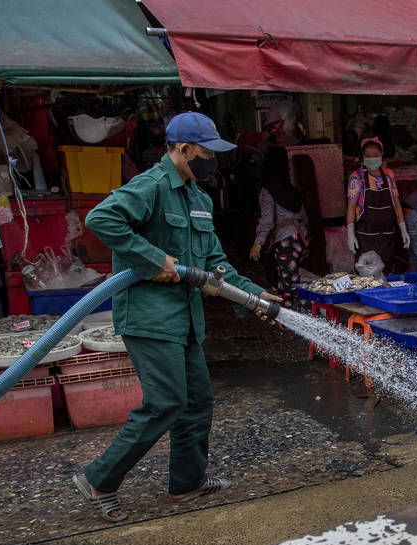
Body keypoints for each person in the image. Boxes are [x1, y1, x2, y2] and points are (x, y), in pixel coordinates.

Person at [72, 112, 284, 522]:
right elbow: (100, 219)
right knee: (166, 403)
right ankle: (99, 479)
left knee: (197, 401)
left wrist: (255, 296)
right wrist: (153, 259)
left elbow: (217, 266)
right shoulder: (150, 187)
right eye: (207, 154)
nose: (213, 163)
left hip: (185, 318)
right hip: (149, 317)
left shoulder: (199, 199)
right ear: (183, 149)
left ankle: (187, 483)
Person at [249, 146, 310, 297]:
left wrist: (258, 242)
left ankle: (294, 317)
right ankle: (306, 312)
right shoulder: (291, 189)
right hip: (301, 238)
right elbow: (304, 216)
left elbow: (267, 219)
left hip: (285, 241)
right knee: (297, 281)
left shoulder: (268, 190)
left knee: (287, 286)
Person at [346, 137, 409, 273]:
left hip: (387, 236)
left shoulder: (388, 175)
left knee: (388, 273)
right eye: (368, 156)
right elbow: (351, 207)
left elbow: (396, 202)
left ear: (382, 155)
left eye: (375, 156)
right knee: (367, 276)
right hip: (365, 237)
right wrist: (350, 234)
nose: (372, 159)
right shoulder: (356, 177)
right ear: (362, 157)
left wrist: (403, 227)